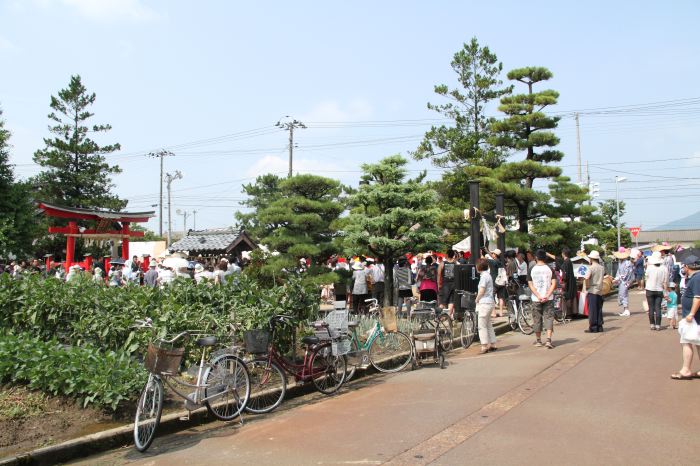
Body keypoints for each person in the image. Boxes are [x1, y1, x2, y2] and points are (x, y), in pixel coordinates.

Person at [670, 255, 700, 380]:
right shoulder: (695, 278)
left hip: (693, 318)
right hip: (695, 317)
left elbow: (697, 298)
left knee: (686, 341)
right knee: (698, 343)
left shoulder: (696, 278)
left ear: (687, 267)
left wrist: (691, 314)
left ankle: (685, 369)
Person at [528, 249, 557, 348]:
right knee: (549, 318)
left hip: (536, 298)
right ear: (545, 257)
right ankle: (548, 340)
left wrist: (538, 296)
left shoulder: (532, 269)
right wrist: (547, 295)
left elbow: (530, 284)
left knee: (537, 319)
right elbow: (554, 283)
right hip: (548, 298)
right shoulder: (550, 269)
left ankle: (538, 340)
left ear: (536, 257)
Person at [475, 258, 497, 354]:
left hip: (484, 302)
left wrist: (477, 299)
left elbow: (481, 290)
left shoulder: (484, 276)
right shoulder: (488, 275)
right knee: (488, 324)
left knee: (482, 325)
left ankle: (484, 346)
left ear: (479, 267)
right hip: (490, 302)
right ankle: (493, 343)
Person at [645, 251, 668, 331]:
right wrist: (665, 292)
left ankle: (652, 324)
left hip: (649, 289)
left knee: (651, 307)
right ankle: (658, 325)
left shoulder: (649, 268)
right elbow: (665, 282)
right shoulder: (664, 268)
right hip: (659, 289)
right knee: (658, 307)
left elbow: (646, 277)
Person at [584, 250, 605, 333]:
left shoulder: (591, 268)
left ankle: (593, 327)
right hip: (600, 290)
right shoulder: (602, 268)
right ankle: (600, 326)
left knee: (592, 310)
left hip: (592, 290)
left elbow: (586, 278)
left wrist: (587, 286)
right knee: (599, 309)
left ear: (591, 259)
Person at [613, 247, 634, 317]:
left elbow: (626, 274)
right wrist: (617, 278)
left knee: (624, 295)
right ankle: (625, 309)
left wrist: (617, 278)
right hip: (622, 281)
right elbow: (618, 272)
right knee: (622, 295)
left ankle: (626, 310)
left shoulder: (627, 263)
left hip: (625, 281)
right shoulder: (621, 263)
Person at [438, 249, 457, 318]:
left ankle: (439, 316)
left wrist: (438, 284)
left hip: (445, 284)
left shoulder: (443, 263)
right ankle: (448, 316)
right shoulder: (456, 263)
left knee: (443, 301)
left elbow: (439, 274)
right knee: (451, 301)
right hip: (454, 284)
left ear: (447, 255)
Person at [486, 249, 506, 318]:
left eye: (493, 253)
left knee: (491, 297)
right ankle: (501, 313)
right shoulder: (501, 263)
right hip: (501, 282)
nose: (492, 254)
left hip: (494, 282)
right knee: (501, 297)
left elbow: (484, 259)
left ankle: (493, 313)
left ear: (495, 255)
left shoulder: (492, 262)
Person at [560, 247, 577, 321]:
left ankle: (568, 315)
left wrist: (563, 280)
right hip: (570, 281)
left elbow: (565, 274)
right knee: (569, 297)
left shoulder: (566, 262)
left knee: (567, 297)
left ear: (563, 254)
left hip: (567, 283)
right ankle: (568, 314)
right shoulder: (569, 261)